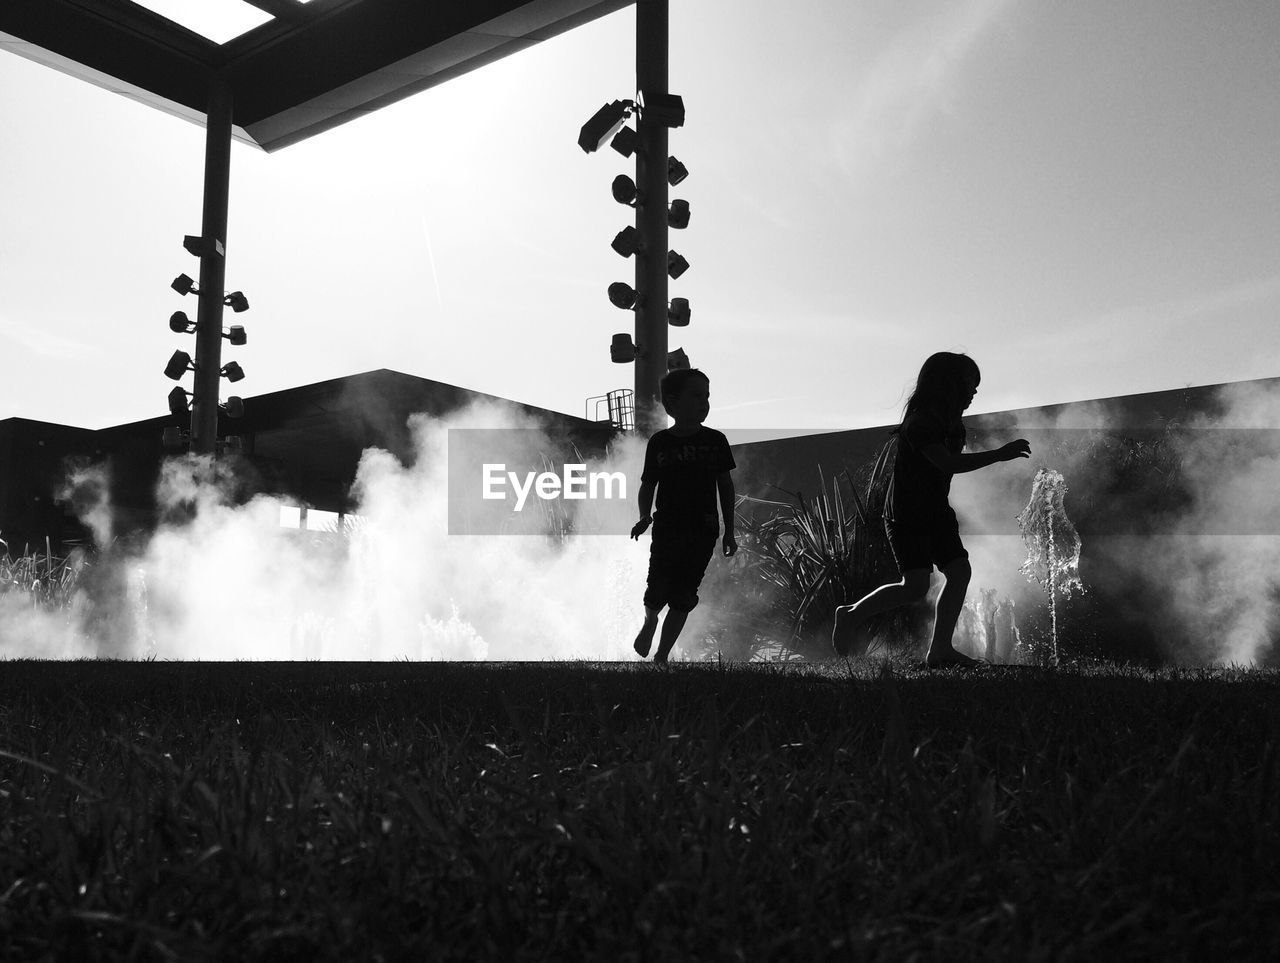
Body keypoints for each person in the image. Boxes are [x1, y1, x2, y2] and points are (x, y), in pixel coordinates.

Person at [832, 352, 1030, 668]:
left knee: (959, 572)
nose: (974, 393)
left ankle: (940, 650)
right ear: (948, 385)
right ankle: (850, 614)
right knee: (915, 587)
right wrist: (999, 455)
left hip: (936, 512)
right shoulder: (920, 424)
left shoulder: (953, 427)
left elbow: (945, 474)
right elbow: (947, 463)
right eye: (969, 385)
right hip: (906, 515)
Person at [631, 368, 738, 664]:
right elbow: (648, 484)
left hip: (702, 528)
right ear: (673, 403)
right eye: (696, 396)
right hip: (668, 527)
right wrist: (644, 516)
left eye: (707, 397)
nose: (703, 403)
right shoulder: (660, 443)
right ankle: (650, 620)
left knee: (684, 595)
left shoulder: (715, 441)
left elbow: (725, 487)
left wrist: (730, 530)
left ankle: (662, 655)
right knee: (658, 586)